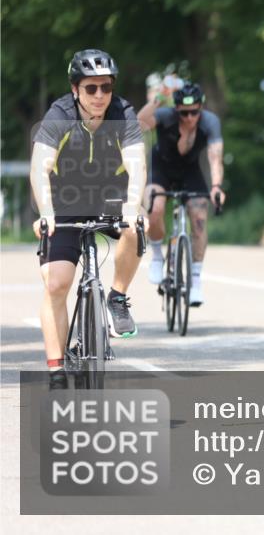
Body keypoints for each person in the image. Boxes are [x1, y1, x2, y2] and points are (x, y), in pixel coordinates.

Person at [30, 49, 147, 387]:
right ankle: (56, 371)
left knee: (133, 227)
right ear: (75, 90)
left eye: (106, 88)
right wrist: (47, 213)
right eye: (91, 88)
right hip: (64, 199)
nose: (100, 96)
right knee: (57, 283)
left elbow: (137, 165)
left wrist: (131, 207)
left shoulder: (123, 113)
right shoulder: (60, 115)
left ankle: (117, 298)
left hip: (110, 192)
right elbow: (40, 168)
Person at [137, 80, 226, 305]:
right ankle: (157, 255)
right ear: (176, 109)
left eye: (194, 112)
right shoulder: (166, 116)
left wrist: (216, 187)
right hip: (162, 168)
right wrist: (158, 99)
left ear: (201, 108)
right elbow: (139, 123)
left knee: (199, 218)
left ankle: (195, 279)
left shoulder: (210, 122)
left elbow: (215, 159)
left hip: (190, 170)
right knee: (155, 207)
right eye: (184, 113)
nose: (189, 118)